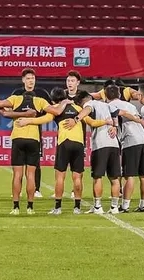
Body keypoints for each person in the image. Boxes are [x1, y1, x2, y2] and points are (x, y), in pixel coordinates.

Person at [18, 87, 112, 215]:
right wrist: (106, 122)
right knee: (77, 177)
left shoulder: (55, 108)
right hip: (79, 143)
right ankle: (77, 208)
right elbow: (92, 122)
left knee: (60, 177)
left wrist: (27, 120)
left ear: (52, 100)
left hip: (64, 143)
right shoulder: (78, 109)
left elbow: (43, 119)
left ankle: (57, 208)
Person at [0, 87, 55, 214]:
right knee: (31, 175)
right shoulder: (40, 101)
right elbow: (53, 112)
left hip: (18, 139)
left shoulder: (16, 99)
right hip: (33, 140)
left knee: (17, 175)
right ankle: (30, 207)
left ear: (23, 95)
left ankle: (15, 207)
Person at [105, 85, 144, 213]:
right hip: (143, 140)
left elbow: (123, 113)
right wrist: (139, 120)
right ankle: (143, 205)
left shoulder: (110, 105)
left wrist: (136, 119)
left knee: (129, 175)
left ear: (106, 96)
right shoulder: (130, 105)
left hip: (131, 141)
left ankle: (125, 206)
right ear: (119, 94)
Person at [72, 94, 120, 214]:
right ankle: (114, 207)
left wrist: (76, 118)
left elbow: (87, 109)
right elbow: (115, 116)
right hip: (114, 144)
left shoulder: (89, 104)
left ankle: (98, 206)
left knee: (97, 177)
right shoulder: (107, 105)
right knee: (114, 177)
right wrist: (115, 127)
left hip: (100, 144)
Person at [11, 68, 51, 199]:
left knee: (35, 163)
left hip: (35, 131)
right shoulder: (17, 93)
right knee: (18, 167)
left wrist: (34, 119)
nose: (30, 81)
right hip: (19, 131)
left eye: (32, 78)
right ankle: (18, 191)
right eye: (28, 78)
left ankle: (37, 189)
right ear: (23, 80)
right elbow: (9, 111)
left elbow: (50, 111)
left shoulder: (42, 94)